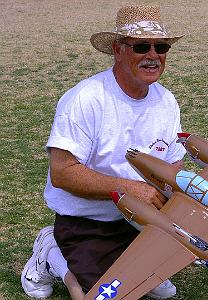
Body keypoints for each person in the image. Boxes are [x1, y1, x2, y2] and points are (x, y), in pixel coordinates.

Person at [21, 5, 186, 300]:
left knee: (155, 289)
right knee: (96, 295)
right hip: (88, 223)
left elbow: (174, 160)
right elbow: (62, 173)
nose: (153, 55)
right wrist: (129, 189)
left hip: (140, 220)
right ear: (117, 49)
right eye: (141, 47)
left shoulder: (166, 101)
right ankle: (51, 254)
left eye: (160, 47)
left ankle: (136, 265)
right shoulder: (85, 99)